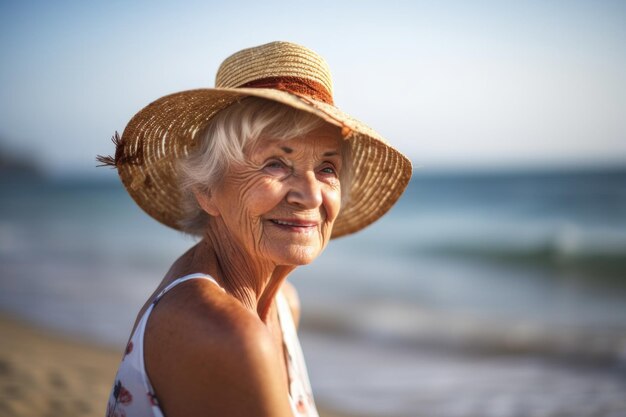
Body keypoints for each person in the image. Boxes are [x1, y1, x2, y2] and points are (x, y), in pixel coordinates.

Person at [98, 41, 412, 417]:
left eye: (327, 168)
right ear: (207, 190)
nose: (311, 195)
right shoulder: (226, 333)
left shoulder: (283, 305)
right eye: (276, 163)